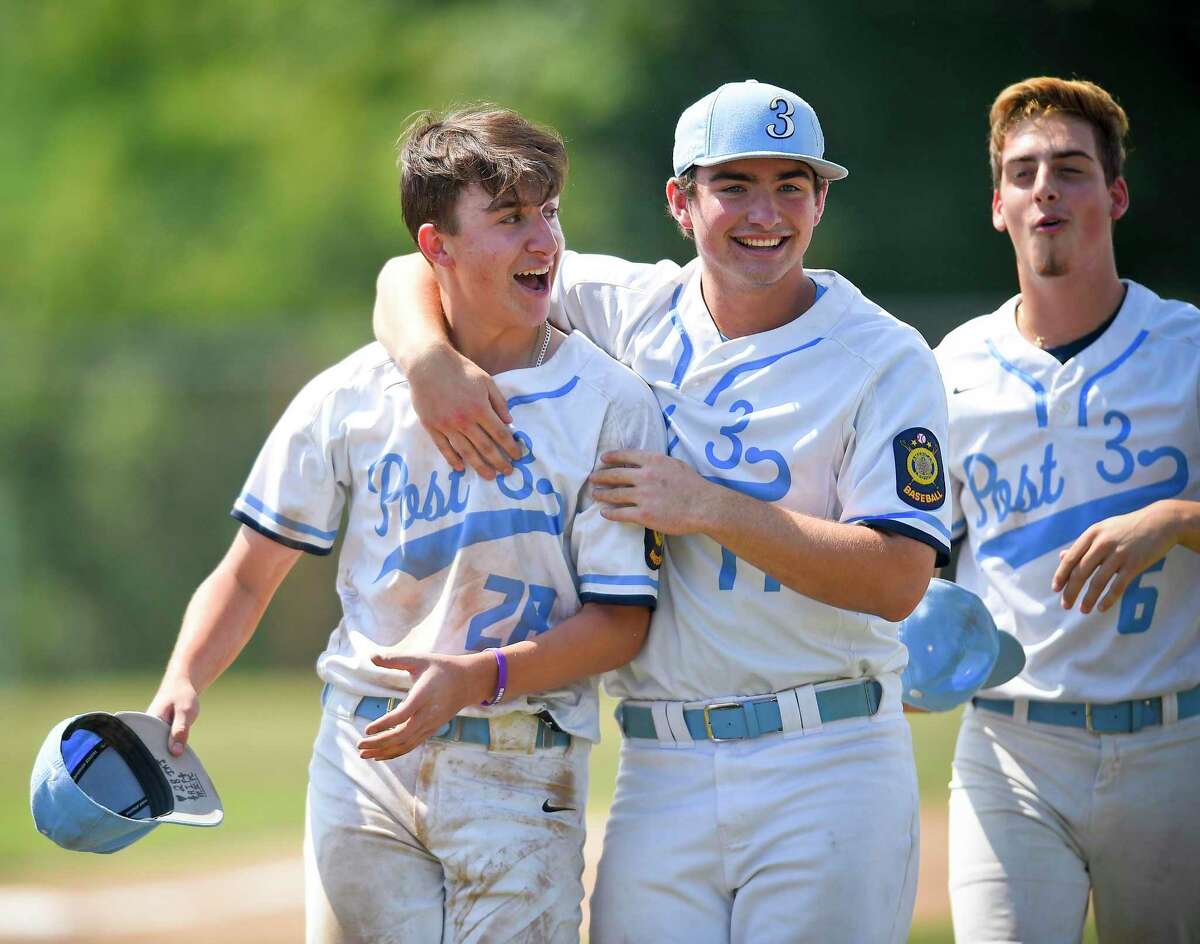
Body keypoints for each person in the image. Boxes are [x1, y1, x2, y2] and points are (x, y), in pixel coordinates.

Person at [374, 80, 951, 944]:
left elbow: (899, 577)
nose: (767, 212)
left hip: (824, 751)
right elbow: (421, 264)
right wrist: (426, 358)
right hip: (659, 761)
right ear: (681, 201)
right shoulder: (627, 303)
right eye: (735, 185)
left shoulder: (883, 354)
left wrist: (712, 507)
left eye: (792, 184)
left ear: (822, 200)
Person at [148, 106, 665, 943]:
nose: (545, 241)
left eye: (550, 211)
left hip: (521, 762)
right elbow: (249, 570)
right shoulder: (353, 396)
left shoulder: (612, 404)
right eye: (509, 219)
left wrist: (481, 675)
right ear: (436, 248)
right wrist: (183, 678)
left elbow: (621, 622)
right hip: (364, 761)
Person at [935, 76, 1200, 943]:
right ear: (998, 206)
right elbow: (920, 553)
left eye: (1071, 168)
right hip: (1011, 749)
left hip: (1176, 744)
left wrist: (1176, 517)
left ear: (1114, 195)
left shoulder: (1187, 348)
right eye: (1023, 172)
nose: (1044, 185)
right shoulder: (951, 366)